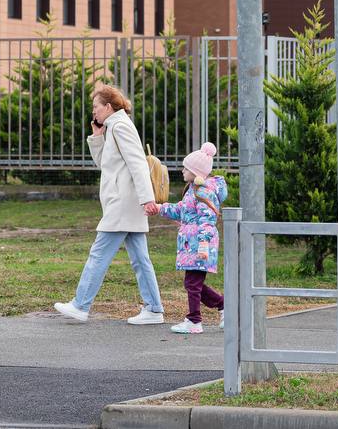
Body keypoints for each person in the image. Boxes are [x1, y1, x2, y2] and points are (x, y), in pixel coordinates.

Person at [53, 83, 165, 325]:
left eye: (96, 107)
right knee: (140, 259)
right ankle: (154, 309)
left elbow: (137, 163)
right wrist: (96, 137)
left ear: (108, 106)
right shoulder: (114, 126)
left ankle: (81, 305)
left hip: (123, 202)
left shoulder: (121, 126)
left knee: (99, 254)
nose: (94, 112)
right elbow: (105, 163)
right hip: (125, 201)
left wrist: (148, 198)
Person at [148, 142, 227, 334]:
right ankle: (226, 307)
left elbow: (208, 220)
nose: (183, 171)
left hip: (199, 245)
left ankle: (194, 320)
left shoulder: (202, 192)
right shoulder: (192, 190)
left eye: (186, 168)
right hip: (191, 244)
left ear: (196, 171)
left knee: (192, 284)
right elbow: (181, 210)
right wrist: (160, 208)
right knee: (193, 283)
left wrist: (203, 243)